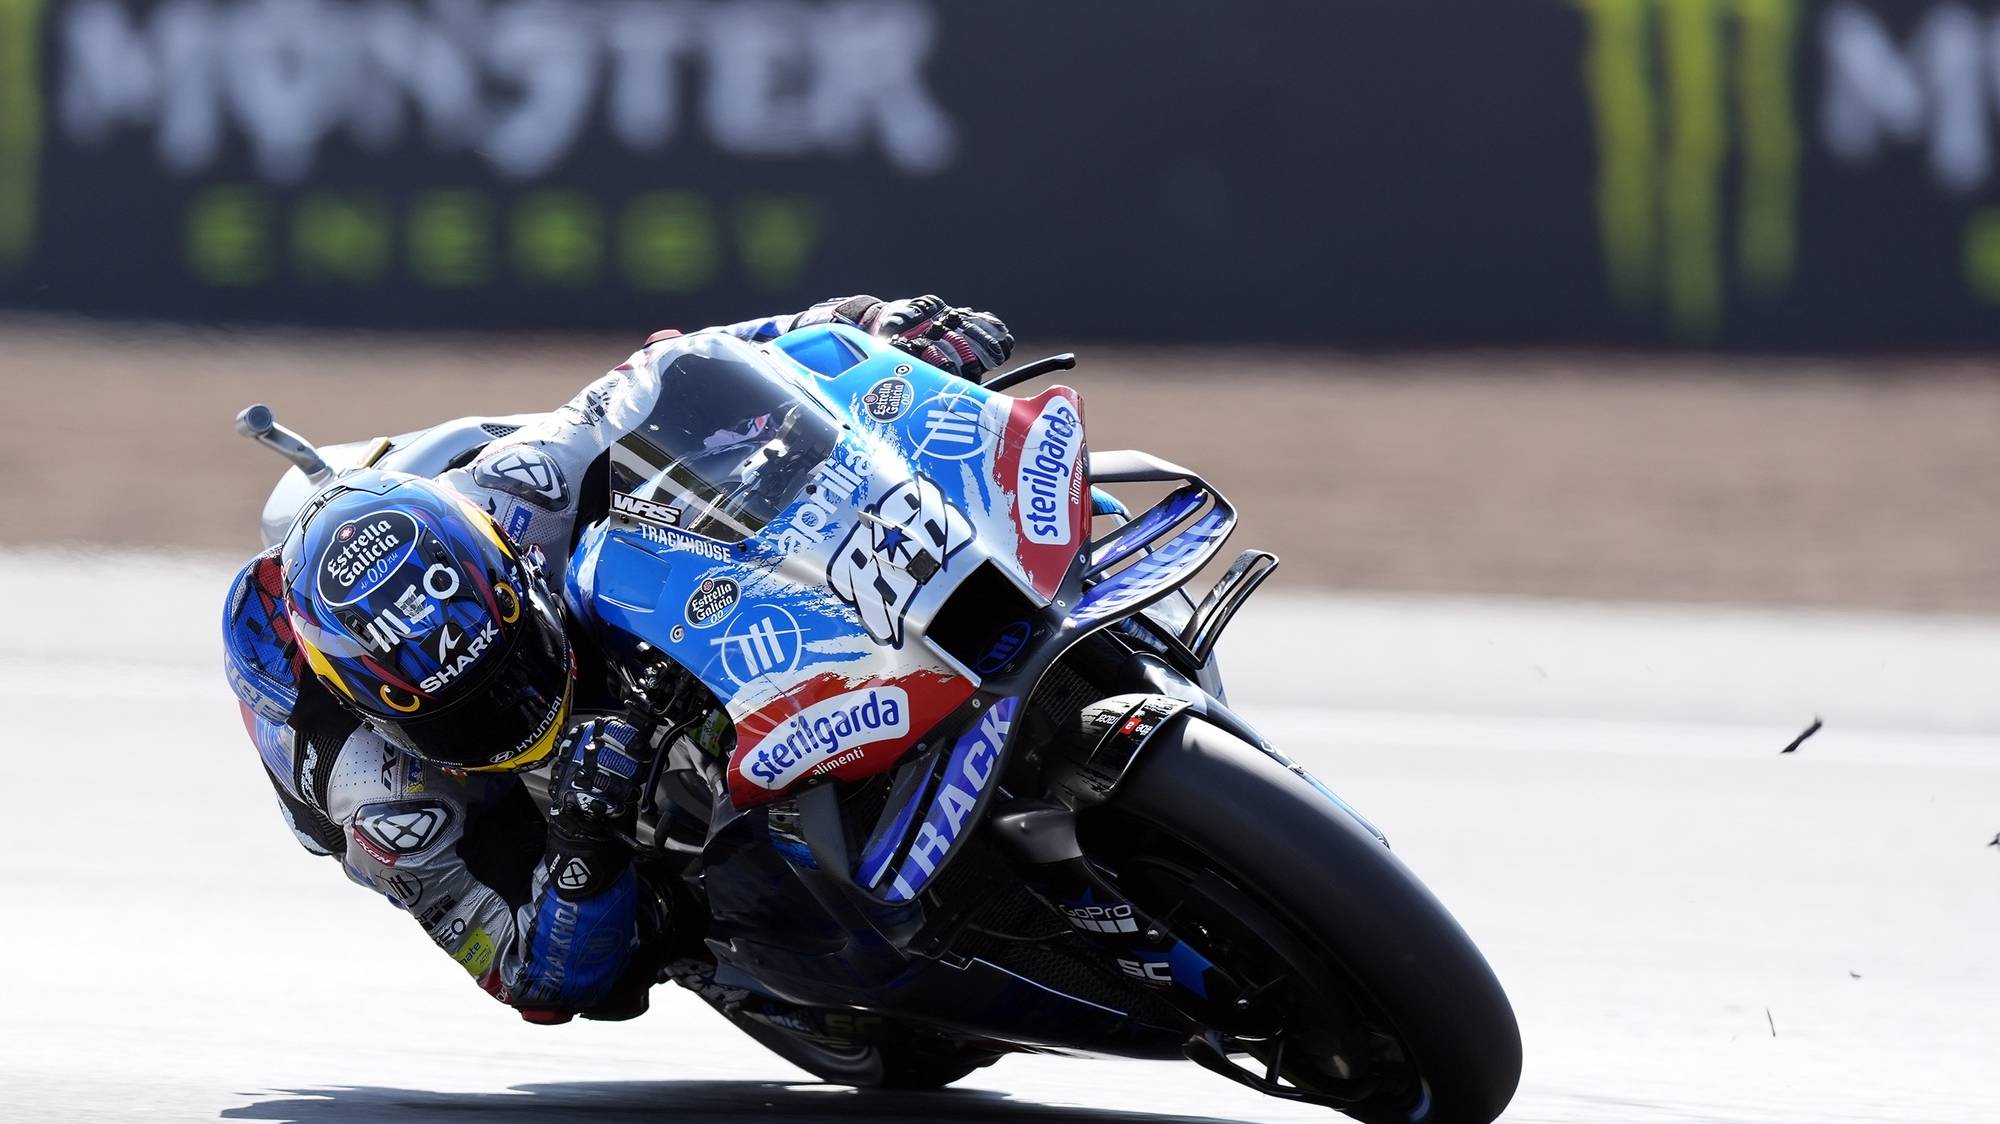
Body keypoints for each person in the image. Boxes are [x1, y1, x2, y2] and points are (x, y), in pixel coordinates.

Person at [221, 296, 1012, 1023]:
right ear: (377, 710)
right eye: (468, 714)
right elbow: (531, 979)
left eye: (514, 670)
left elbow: (683, 364)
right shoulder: (374, 791)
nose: (520, 717)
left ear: (513, 570)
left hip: (487, 512)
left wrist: (874, 324)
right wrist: (582, 836)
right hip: (462, 791)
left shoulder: (519, 488)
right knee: (638, 949)